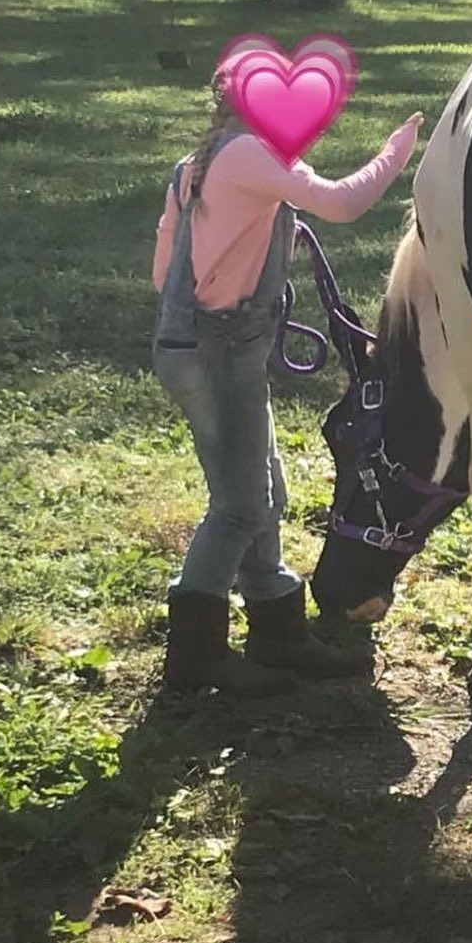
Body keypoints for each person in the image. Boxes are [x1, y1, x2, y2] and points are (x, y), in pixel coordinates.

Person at [152, 60, 423, 696]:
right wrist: (396, 151)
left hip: (203, 348)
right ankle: (195, 659)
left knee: (264, 489)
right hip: (219, 354)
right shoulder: (250, 152)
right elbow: (344, 203)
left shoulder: (197, 163)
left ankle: (276, 628)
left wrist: (255, 245)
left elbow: (164, 273)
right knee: (240, 504)